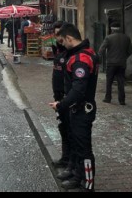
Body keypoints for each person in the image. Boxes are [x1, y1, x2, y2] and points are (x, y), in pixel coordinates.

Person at [49, 23, 99, 192]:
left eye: (63, 41)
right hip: (76, 108)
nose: (62, 45)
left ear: (70, 38)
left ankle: (88, 184)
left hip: (82, 108)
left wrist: (61, 105)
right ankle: (78, 176)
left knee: (84, 149)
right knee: (77, 145)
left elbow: (78, 89)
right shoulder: (81, 54)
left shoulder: (81, 59)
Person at [50, 21, 75, 175]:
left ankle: (71, 164)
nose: (58, 38)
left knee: (70, 131)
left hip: (68, 99)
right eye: (56, 34)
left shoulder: (71, 54)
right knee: (63, 129)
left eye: (61, 35)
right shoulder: (59, 51)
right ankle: (65, 158)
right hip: (58, 97)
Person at [98, 22, 132, 105]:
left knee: (109, 82)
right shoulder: (126, 38)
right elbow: (130, 51)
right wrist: (124, 57)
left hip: (111, 63)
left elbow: (101, 50)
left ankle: (108, 98)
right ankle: (122, 100)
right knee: (121, 82)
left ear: (111, 29)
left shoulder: (108, 38)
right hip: (122, 63)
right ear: (120, 28)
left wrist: (99, 58)